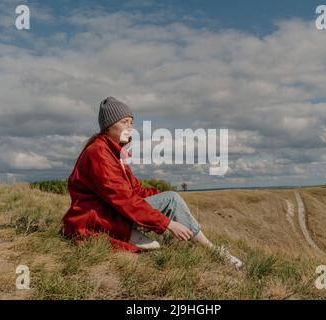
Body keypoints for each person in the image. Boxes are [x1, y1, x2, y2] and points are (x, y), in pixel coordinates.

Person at [61, 97, 243, 269]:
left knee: (171, 198)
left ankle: (213, 250)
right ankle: (214, 251)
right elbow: (123, 199)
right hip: (95, 221)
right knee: (170, 202)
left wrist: (161, 198)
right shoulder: (99, 153)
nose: (130, 127)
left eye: (132, 122)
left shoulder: (114, 153)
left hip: (110, 214)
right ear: (108, 126)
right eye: (124, 121)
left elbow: (135, 190)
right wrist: (168, 224)